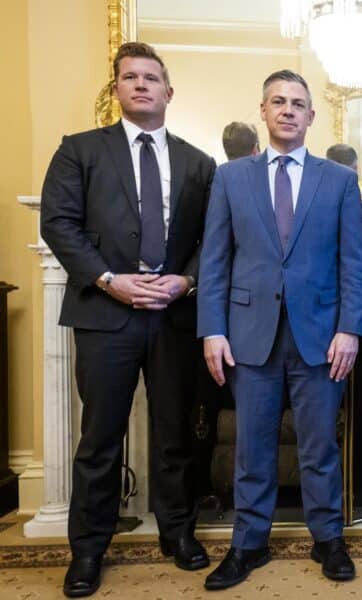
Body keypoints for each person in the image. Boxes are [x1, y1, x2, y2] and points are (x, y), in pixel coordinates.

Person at [40, 41, 216, 598]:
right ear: (116, 89)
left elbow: (214, 239)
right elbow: (58, 223)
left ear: (168, 91)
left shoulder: (199, 162)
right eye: (129, 77)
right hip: (104, 315)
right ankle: (88, 551)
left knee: (174, 435)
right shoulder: (80, 150)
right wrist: (109, 280)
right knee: (99, 440)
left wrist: (186, 280)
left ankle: (178, 534)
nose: (140, 85)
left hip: (173, 317)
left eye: (150, 77)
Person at [198, 69, 362, 590]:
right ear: (264, 111)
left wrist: (351, 329)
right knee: (253, 447)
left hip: (321, 336)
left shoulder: (338, 181)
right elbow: (215, 260)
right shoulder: (231, 178)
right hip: (249, 334)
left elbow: (354, 264)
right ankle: (248, 544)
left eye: (298, 102)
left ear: (311, 116)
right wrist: (212, 329)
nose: (288, 110)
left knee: (320, 446)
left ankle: (328, 539)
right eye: (278, 101)